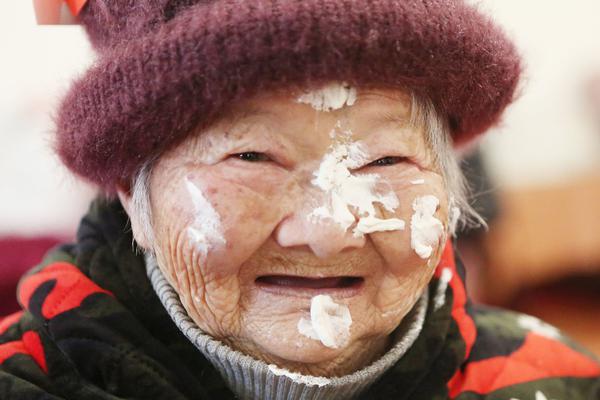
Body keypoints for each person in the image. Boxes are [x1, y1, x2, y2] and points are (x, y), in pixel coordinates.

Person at [1, 1, 599, 399]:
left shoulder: (561, 382)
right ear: (133, 195)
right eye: (252, 158)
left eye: (384, 161)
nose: (327, 232)